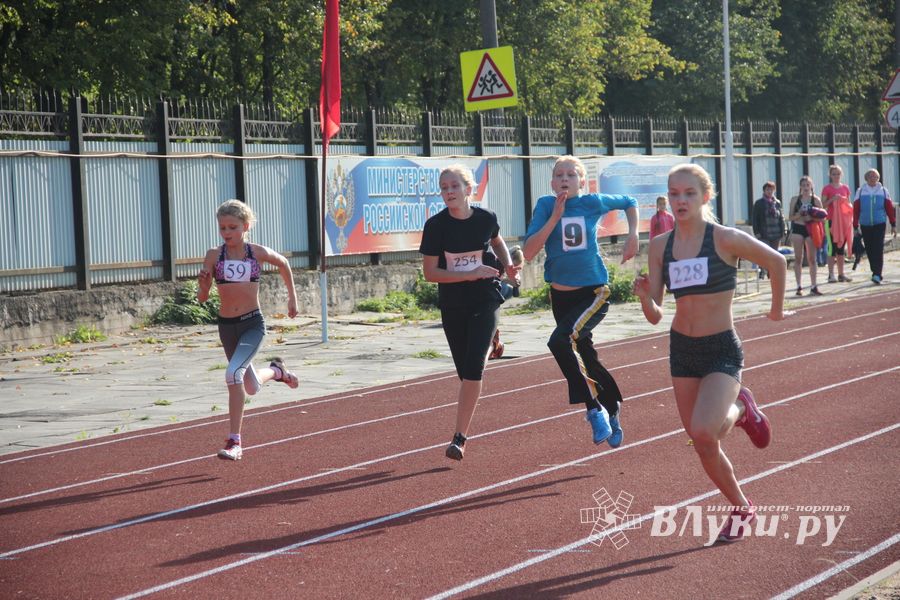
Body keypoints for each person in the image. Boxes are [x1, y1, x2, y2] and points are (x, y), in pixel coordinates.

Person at [632, 163, 787, 543]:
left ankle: (741, 408)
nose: (680, 200)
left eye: (688, 193)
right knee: (703, 440)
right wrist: (642, 297)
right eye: (674, 194)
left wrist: (776, 310)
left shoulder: (725, 239)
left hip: (720, 348)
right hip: (682, 350)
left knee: (704, 428)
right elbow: (655, 314)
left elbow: (777, 261)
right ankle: (742, 507)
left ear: (705, 197)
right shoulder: (659, 246)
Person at [522, 155, 638, 447]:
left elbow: (629, 201)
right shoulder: (546, 205)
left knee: (559, 342)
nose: (565, 179)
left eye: (571, 175)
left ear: (582, 182)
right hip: (560, 295)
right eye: (559, 174)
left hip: (593, 292)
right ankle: (612, 407)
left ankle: (593, 409)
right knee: (585, 354)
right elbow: (528, 251)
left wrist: (633, 235)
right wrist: (554, 217)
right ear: (552, 182)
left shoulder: (593, 202)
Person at [419, 165, 520, 460]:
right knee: (465, 374)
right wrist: (468, 274)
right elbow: (430, 273)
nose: (448, 192)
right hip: (453, 303)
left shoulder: (485, 218)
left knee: (474, 369)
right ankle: (492, 344)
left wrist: (507, 265)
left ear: (469, 189)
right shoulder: (436, 227)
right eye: (444, 187)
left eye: (454, 186)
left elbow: (497, 240)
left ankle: (459, 437)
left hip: (485, 297)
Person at [198, 199, 299, 461]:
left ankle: (234, 442)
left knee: (233, 375)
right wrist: (204, 286)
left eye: (232, 227)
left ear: (246, 226)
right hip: (227, 327)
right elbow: (202, 299)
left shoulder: (256, 252)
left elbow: (284, 264)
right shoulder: (213, 255)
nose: (227, 233)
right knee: (251, 386)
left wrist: (292, 299)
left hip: (252, 324)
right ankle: (277, 371)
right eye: (222, 228)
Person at [853, 168, 897, 285]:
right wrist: (855, 225)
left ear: (878, 178)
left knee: (878, 248)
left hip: (879, 223)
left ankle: (877, 274)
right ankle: (875, 271)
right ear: (866, 178)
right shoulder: (861, 191)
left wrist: (893, 224)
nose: (873, 178)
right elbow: (856, 209)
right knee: (869, 249)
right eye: (871, 176)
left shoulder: (883, 191)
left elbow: (889, 208)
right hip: (865, 224)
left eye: (875, 177)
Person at [787, 175, 825, 296]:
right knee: (798, 258)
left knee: (812, 259)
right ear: (800, 187)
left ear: (811, 186)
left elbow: (823, 217)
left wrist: (811, 216)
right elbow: (790, 217)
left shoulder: (816, 200)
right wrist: (800, 214)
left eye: (807, 185)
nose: (805, 187)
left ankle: (814, 285)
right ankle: (799, 286)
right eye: (803, 185)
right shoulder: (795, 199)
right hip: (798, 228)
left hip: (811, 228)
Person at [489, 245, 524, 360]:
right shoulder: (498, 260)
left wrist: (515, 282)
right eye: (514, 264)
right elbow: (496, 277)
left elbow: (515, 292)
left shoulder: (508, 267)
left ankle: (494, 343)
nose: (514, 267)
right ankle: (494, 342)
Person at [821, 165, 854, 283]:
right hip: (831, 221)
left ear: (841, 175)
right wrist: (832, 200)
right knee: (832, 248)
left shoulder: (845, 188)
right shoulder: (827, 189)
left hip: (844, 222)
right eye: (834, 174)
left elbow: (849, 205)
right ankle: (831, 274)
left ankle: (841, 274)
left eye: (838, 174)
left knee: (841, 248)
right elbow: (822, 205)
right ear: (830, 175)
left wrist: (843, 200)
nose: (836, 176)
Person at [750, 181, 786, 279]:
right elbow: (755, 219)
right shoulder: (759, 203)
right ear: (764, 191)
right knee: (765, 253)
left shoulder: (777, 203)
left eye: (771, 189)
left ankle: (771, 272)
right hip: (764, 234)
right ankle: (762, 270)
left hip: (776, 233)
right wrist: (756, 232)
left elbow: (781, 218)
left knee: (774, 254)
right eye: (767, 189)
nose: (769, 191)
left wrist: (783, 231)